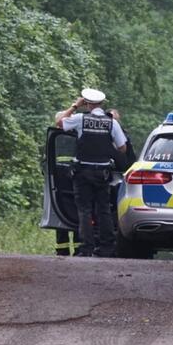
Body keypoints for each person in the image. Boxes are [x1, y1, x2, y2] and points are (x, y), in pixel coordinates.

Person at [55, 89, 127, 257]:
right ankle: (107, 248)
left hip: (83, 173)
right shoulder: (112, 123)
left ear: (86, 103)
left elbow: (59, 123)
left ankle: (86, 248)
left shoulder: (81, 119)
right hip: (103, 173)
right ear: (101, 104)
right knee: (103, 210)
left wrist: (74, 106)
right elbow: (123, 148)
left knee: (84, 210)